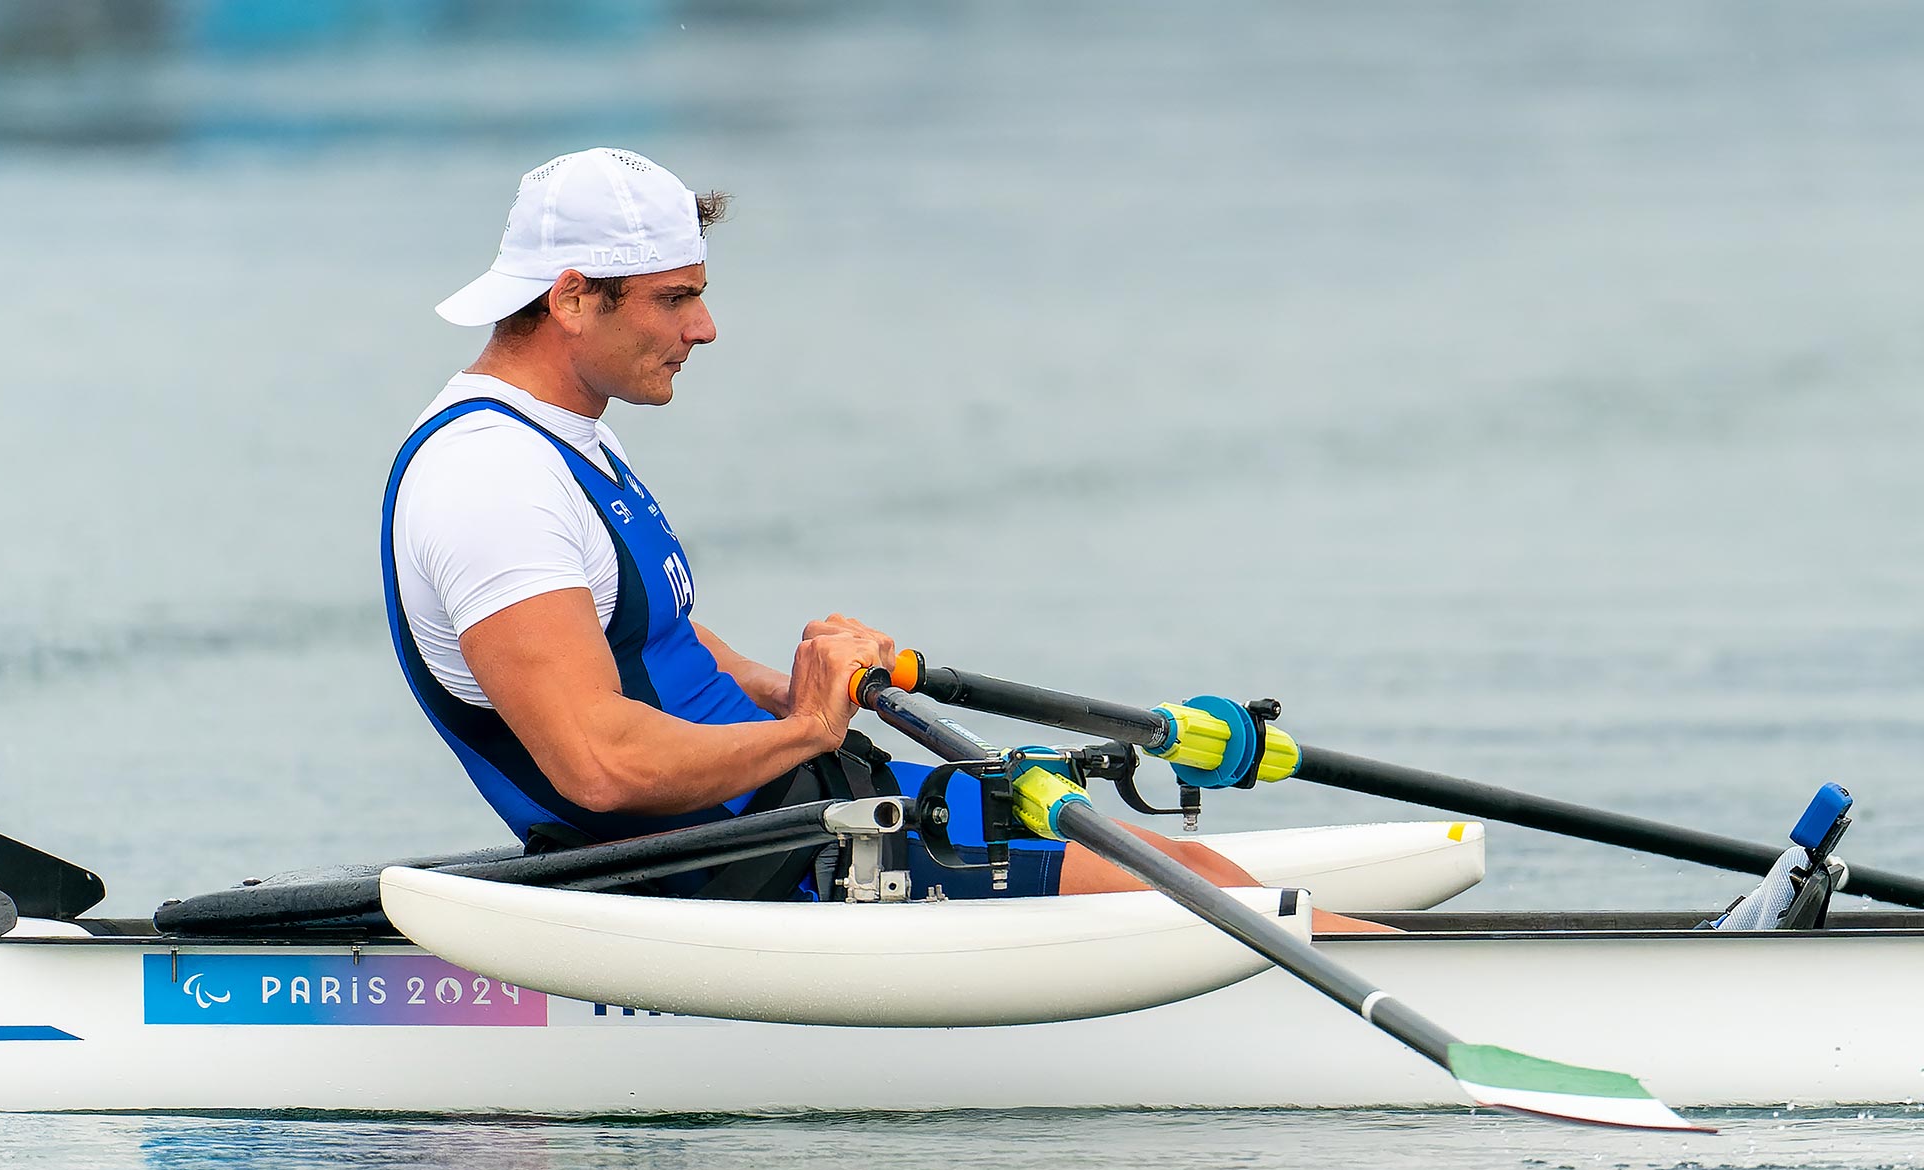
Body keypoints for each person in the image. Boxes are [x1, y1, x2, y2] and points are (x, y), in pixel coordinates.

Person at [384, 146, 1388, 928]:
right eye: (675, 298)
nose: (704, 329)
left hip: (781, 804)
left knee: (1194, 873)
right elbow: (597, 764)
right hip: (737, 866)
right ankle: (1476, 1007)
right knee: (1181, 896)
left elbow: (648, 645)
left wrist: (800, 688)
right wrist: (808, 730)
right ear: (570, 298)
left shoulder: (558, 442)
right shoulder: (491, 479)